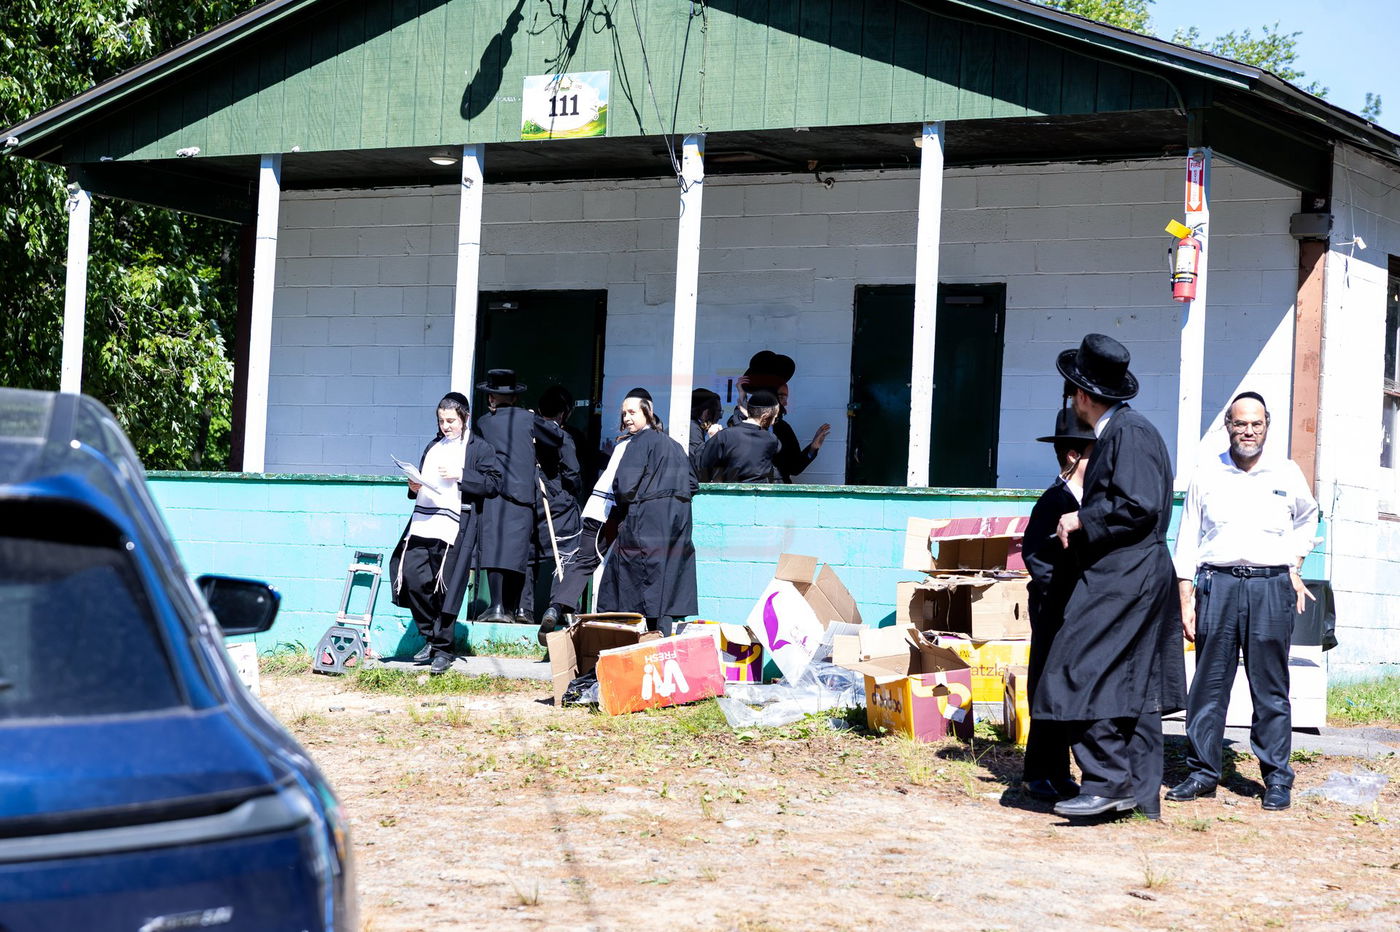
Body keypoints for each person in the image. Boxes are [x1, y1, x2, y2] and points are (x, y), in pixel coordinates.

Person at [1035, 334, 1186, 821]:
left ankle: (1106, 781)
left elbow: (1140, 505)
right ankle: (1140, 798)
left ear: (1080, 394)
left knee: (1074, 666)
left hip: (1127, 574)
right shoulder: (1120, 432)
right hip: (1132, 572)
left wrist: (1083, 518)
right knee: (1134, 686)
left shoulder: (1130, 433)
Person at [1167, 392, 1319, 812]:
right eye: (1239, 424)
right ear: (1228, 427)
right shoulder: (1206, 474)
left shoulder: (1286, 473)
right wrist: (1185, 599)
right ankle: (1202, 772)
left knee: (1270, 688)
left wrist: (1295, 561)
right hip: (1218, 585)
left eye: (1255, 424)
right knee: (1208, 686)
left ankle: (1276, 778)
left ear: (1266, 425)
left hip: (1270, 588)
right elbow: (1188, 536)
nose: (1247, 431)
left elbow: (1309, 517)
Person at [389, 393, 502, 674]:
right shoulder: (433, 445)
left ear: (464, 418)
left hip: (457, 526)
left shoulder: (480, 448)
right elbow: (422, 482)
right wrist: (413, 487)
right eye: (441, 420)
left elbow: (494, 484)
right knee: (413, 577)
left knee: (446, 587)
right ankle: (431, 636)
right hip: (424, 522)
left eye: (451, 420)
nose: (445, 426)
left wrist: (462, 473)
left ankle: (443, 649)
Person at [1020, 403, 1096, 802]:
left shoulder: (1088, 502)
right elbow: (1037, 558)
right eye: (1092, 452)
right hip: (1054, 610)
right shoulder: (1054, 501)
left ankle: (1060, 770)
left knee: (1067, 692)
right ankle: (1038, 772)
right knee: (1046, 689)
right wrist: (1067, 598)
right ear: (1073, 455)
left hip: (1077, 611)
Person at [595, 387, 698, 636]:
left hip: (648, 517)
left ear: (648, 411)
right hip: (678, 519)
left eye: (632, 412)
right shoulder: (675, 446)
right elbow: (693, 483)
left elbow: (624, 487)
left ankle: (624, 639)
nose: (626, 418)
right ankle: (660, 636)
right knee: (666, 579)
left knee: (632, 577)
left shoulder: (640, 442)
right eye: (623, 414)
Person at [472, 368, 541, 625]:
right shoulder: (529, 420)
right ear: (514, 398)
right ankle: (512, 608)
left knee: (494, 550)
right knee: (517, 552)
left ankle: (497, 606)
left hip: (495, 493)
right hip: (524, 495)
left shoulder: (482, 422)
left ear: (491, 399)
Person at [525, 385, 584, 628]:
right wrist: (575, 489)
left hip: (530, 502)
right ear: (563, 414)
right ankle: (557, 607)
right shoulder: (562, 436)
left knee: (528, 557)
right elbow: (572, 472)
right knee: (567, 555)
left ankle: (523, 609)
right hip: (559, 504)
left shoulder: (526, 432)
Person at [694, 389, 781, 483]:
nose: (773, 423)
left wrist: (712, 441)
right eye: (774, 418)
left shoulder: (725, 436)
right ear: (765, 416)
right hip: (759, 495)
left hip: (730, 495)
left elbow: (703, 465)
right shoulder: (771, 440)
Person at [689, 388, 724, 457]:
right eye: (718, 411)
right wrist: (714, 439)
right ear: (706, 412)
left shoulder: (692, 426)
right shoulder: (693, 428)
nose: (720, 416)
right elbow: (699, 461)